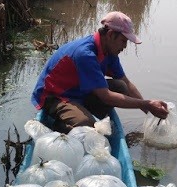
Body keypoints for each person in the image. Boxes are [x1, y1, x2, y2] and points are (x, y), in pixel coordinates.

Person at [31, 11, 168, 133]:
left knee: (121, 86)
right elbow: (106, 96)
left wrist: (148, 110)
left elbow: (126, 82)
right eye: (123, 41)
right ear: (110, 35)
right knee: (87, 126)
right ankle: (60, 126)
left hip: (78, 91)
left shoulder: (109, 52)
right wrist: (146, 103)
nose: (125, 46)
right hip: (56, 96)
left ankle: (81, 113)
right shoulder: (85, 53)